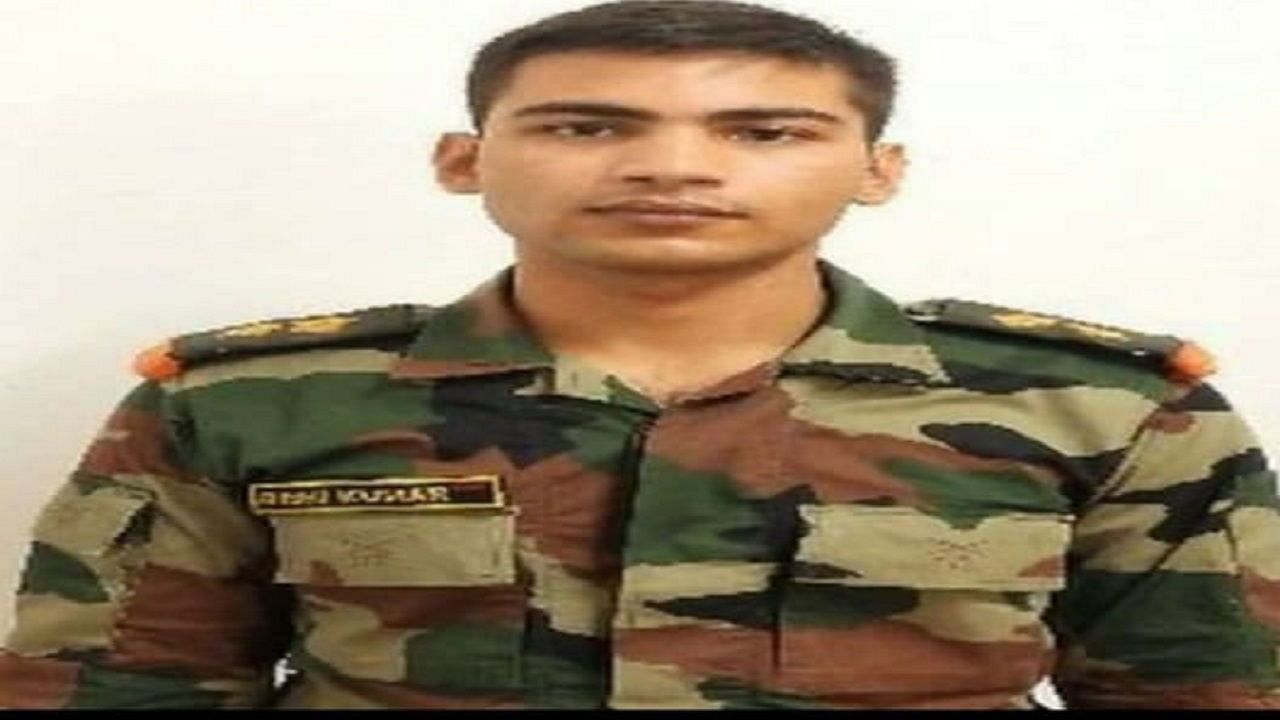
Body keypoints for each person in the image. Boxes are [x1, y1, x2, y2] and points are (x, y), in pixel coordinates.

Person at [2, 0, 1277, 710]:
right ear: (464, 159)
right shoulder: (258, 405)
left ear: (877, 169)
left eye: (764, 131)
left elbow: (1208, 696)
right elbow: (119, 690)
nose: (672, 166)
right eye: (584, 126)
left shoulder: (1094, 410)